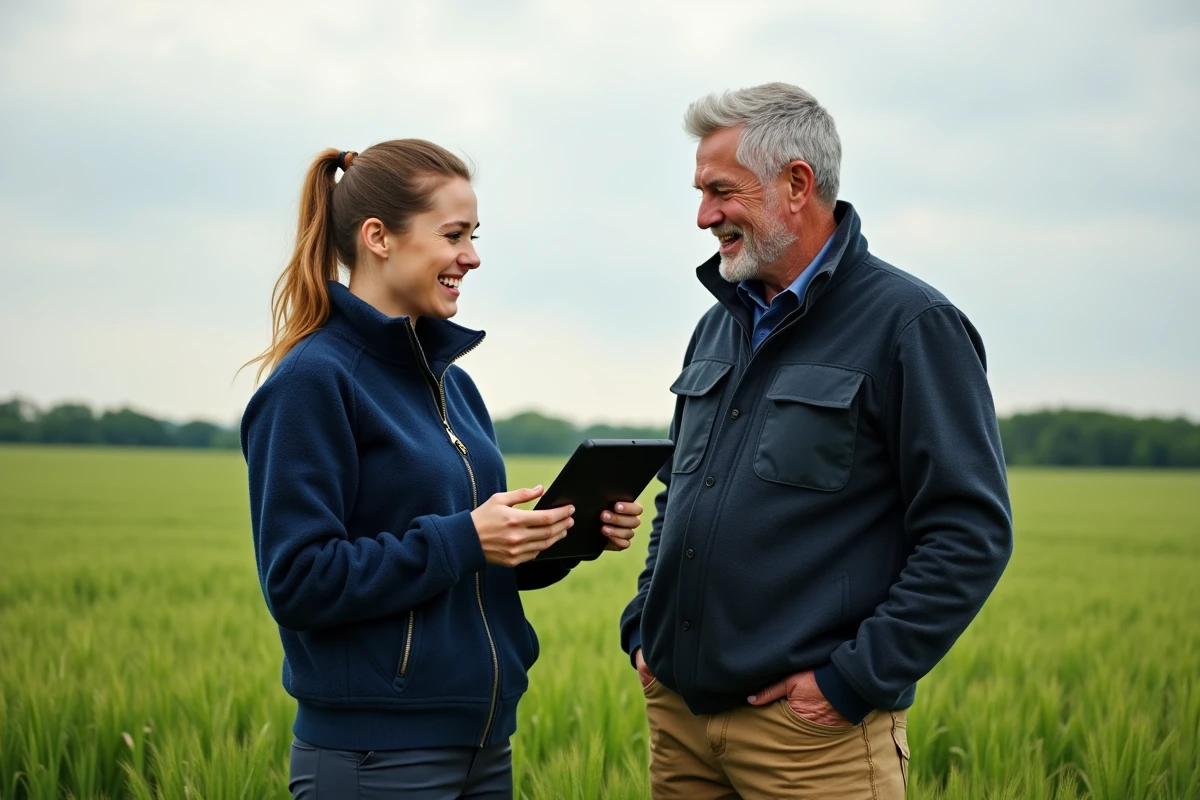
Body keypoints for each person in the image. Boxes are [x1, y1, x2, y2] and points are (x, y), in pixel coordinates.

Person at [620, 83, 1013, 799]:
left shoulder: (911, 324)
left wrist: (851, 680)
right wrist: (644, 626)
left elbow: (970, 532)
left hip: (809, 743)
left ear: (796, 184)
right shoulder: (719, 325)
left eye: (720, 191)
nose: (704, 215)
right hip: (679, 721)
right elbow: (680, 493)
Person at [241, 140, 643, 799]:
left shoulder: (455, 388)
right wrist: (465, 537)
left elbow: (474, 562)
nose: (473, 257)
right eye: (454, 235)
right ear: (379, 238)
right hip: (376, 759)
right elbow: (299, 580)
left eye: (474, 236)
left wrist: (568, 534)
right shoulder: (313, 383)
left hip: (485, 747)